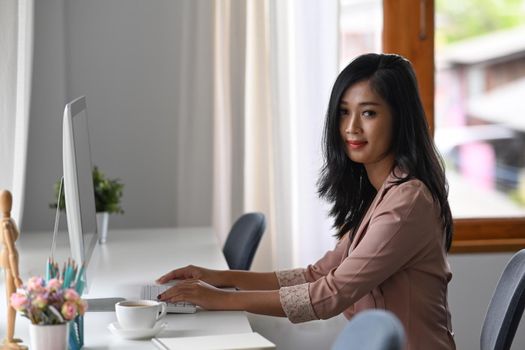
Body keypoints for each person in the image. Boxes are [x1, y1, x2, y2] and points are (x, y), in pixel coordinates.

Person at [157, 53, 456, 350]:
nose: (351, 127)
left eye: (368, 113)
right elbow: (317, 275)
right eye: (343, 111)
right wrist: (220, 278)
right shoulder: (382, 192)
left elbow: (330, 294)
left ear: (399, 119)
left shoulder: (408, 201)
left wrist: (221, 299)